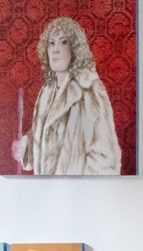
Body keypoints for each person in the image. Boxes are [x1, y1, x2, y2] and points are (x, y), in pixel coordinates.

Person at [12, 16, 121, 175]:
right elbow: (46, 138)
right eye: (51, 43)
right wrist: (26, 145)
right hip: (48, 193)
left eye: (63, 42)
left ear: (75, 50)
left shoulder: (87, 89)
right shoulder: (47, 91)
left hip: (79, 194)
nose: (55, 49)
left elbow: (104, 157)